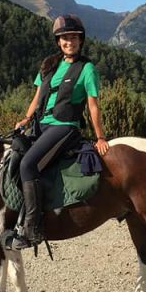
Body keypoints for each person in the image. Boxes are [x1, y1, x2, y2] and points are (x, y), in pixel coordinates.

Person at [8, 14, 110, 250]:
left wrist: (100, 136)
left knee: (28, 166)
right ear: (58, 42)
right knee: (13, 158)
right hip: (39, 126)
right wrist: (25, 119)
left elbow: (93, 105)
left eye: (73, 37)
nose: (69, 42)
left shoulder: (86, 69)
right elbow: (37, 98)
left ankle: (32, 229)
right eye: (64, 38)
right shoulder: (48, 66)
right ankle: (15, 216)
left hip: (65, 127)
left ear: (80, 40)